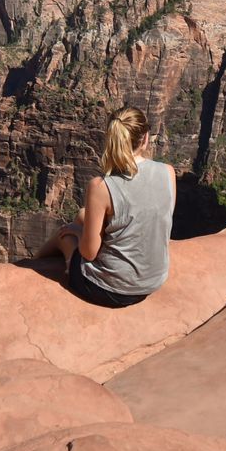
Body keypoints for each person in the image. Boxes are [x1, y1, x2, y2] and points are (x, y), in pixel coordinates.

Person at [38, 106, 176, 307]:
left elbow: (89, 253)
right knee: (82, 215)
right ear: (146, 138)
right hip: (153, 281)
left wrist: (78, 233)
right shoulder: (168, 172)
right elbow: (157, 220)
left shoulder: (101, 186)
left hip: (110, 290)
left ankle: (36, 262)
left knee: (64, 235)